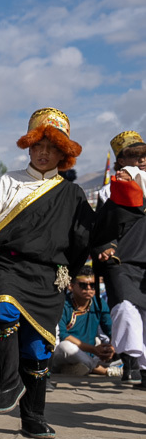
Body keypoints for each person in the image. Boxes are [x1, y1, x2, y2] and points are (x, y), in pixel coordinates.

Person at [0, 108, 94, 439]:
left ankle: (33, 417)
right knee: (2, 311)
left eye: (51, 148)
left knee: (38, 350)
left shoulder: (73, 194)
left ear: (63, 153)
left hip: (49, 275)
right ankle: (9, 383)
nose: (42, 153)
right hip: (6, 263)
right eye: (37, 146)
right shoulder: (8, 180)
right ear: (28, 147)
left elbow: (84, 239)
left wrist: (70, 268)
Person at [92, 141, 146, 389]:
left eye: (145, 157)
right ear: (122, 162)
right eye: (136, 158)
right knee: (125, 309)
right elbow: (102, 227)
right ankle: (131, 363)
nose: (142, 162)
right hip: (123, 261)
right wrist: (105, 247)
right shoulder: (112, 192)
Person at [53, 267, 115, 376]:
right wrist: (93, 350)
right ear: (71, 286)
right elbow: (63, 335)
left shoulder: (99, 303)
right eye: (83, 285)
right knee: (65, 346)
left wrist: (111, 348)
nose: (89, 289)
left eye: (93, 285)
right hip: (63, 354)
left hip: (89, 353)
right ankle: (104, 371)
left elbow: (111, 331)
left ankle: (76, 368)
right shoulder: (62, 304)